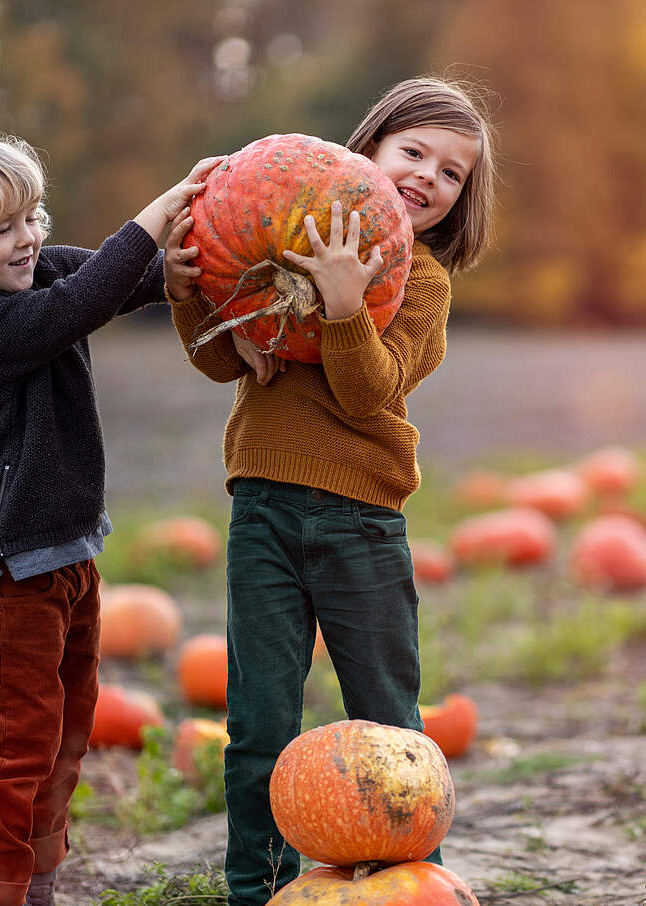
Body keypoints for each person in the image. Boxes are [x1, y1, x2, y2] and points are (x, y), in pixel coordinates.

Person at [163, 75, 498, 905]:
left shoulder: (420, 283)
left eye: (451, 172)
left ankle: (415, 881)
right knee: (257, 726)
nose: (427, 176)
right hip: (264, 513)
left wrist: (346, 309)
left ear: (461, 199)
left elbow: (369, 392)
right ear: (371, 148)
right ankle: (259, 888)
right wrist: (182, 290)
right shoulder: (284, 235)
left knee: (390, 719)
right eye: (412, 152)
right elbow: (218, 358)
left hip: (362, 523)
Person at [0, 119, 224, 906]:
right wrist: (157, 213)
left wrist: (175, 269)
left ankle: (39, 881)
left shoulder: (28, 280)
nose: (29, 237)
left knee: (70, 731)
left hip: (67, 557)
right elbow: (82, 302)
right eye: (3, 227)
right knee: (16, 745)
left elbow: (106, 277)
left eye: (32, 215)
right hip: (10, 578)